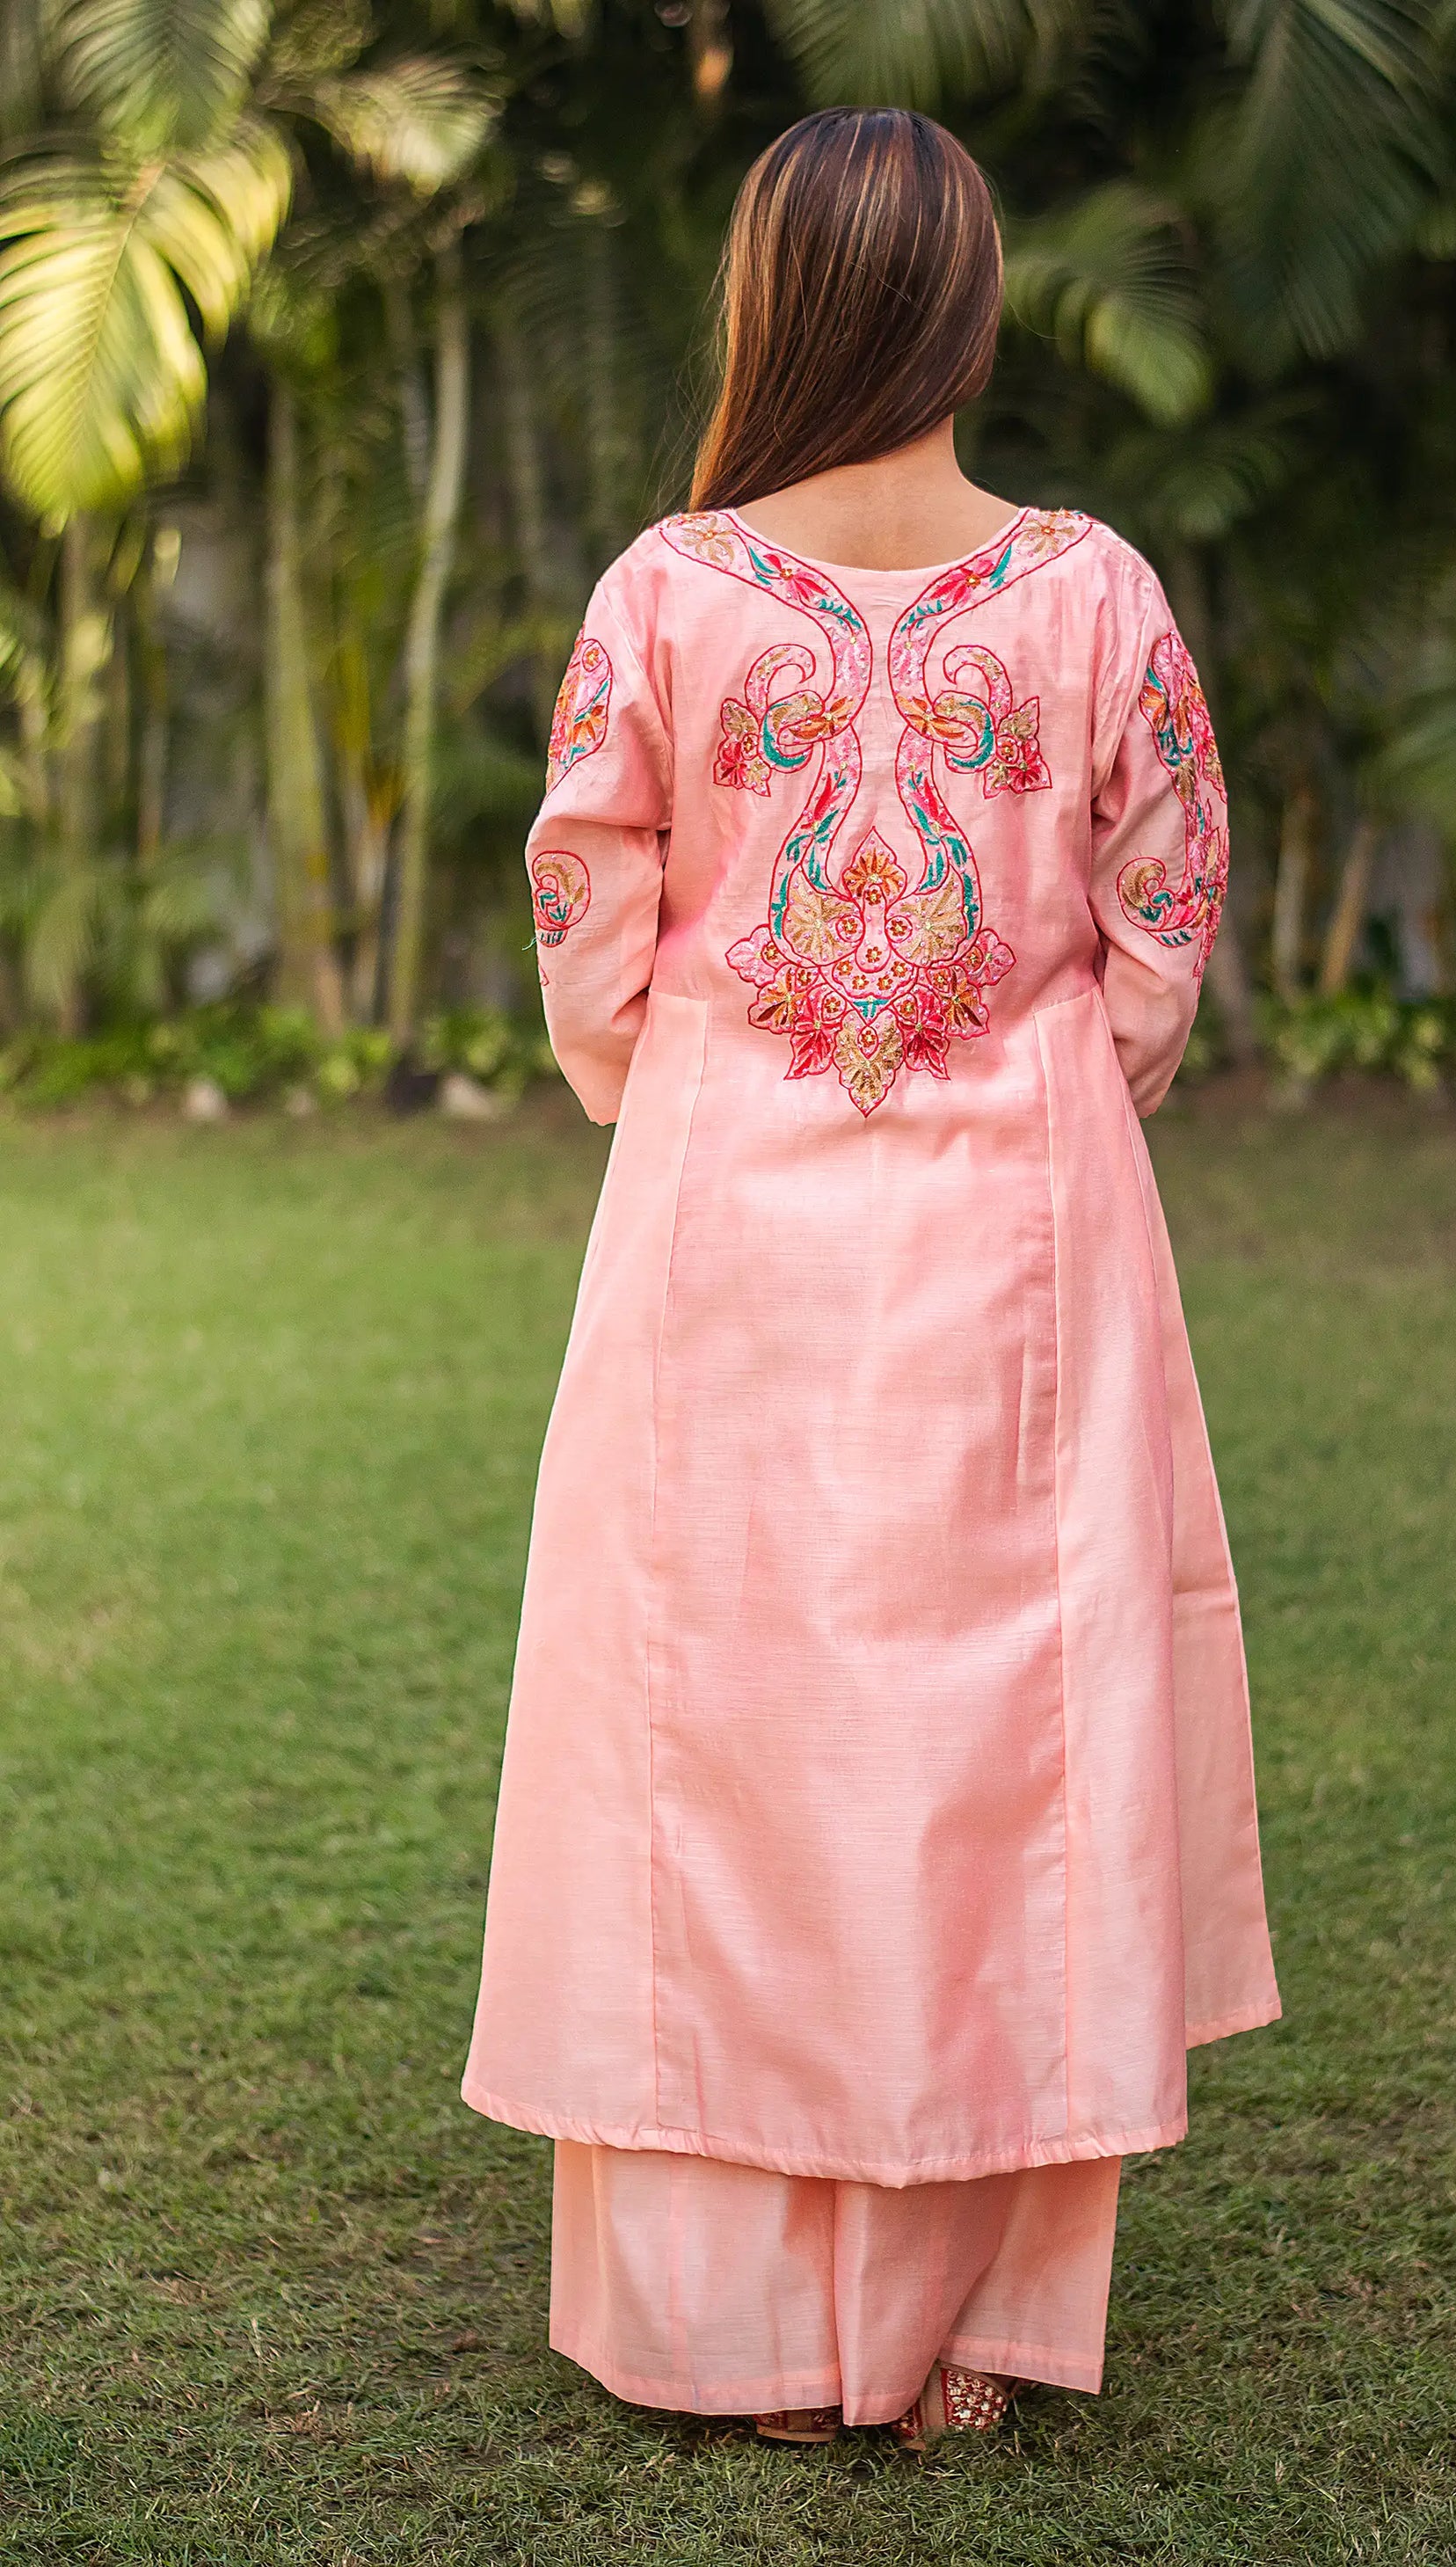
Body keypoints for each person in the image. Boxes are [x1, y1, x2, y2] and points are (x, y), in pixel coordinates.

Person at [462, 104, 1279, 2454]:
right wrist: (1046, 1077)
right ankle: (958, 2336)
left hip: (728, 1215)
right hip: (1027, 1222)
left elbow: (588, 919)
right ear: (967, 303)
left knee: (720, 1728)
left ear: (770, 300)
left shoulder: (667, 592)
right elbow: (1164, 907)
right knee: (992, 1748)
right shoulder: (1092, 586)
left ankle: (727, 2323)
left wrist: (684, 1075)